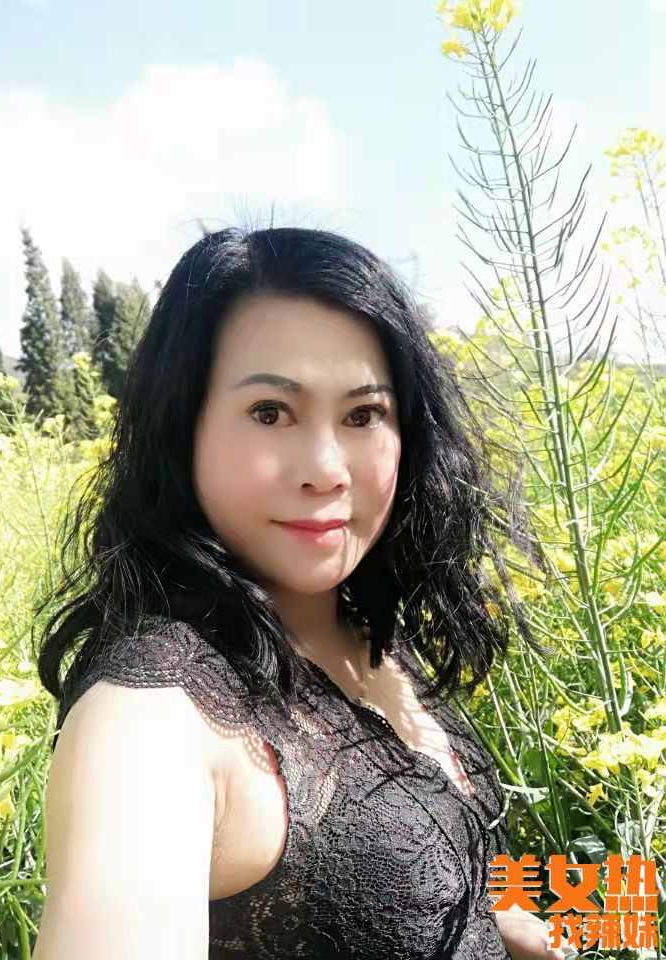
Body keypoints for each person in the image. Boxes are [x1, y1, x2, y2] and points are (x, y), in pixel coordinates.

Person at [32, 223, 574, 959]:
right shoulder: (149, 721)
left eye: (363, 415)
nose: (327, 468)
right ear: (181, 429)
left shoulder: (367, 630)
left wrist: (480, 927)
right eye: (270, 412)